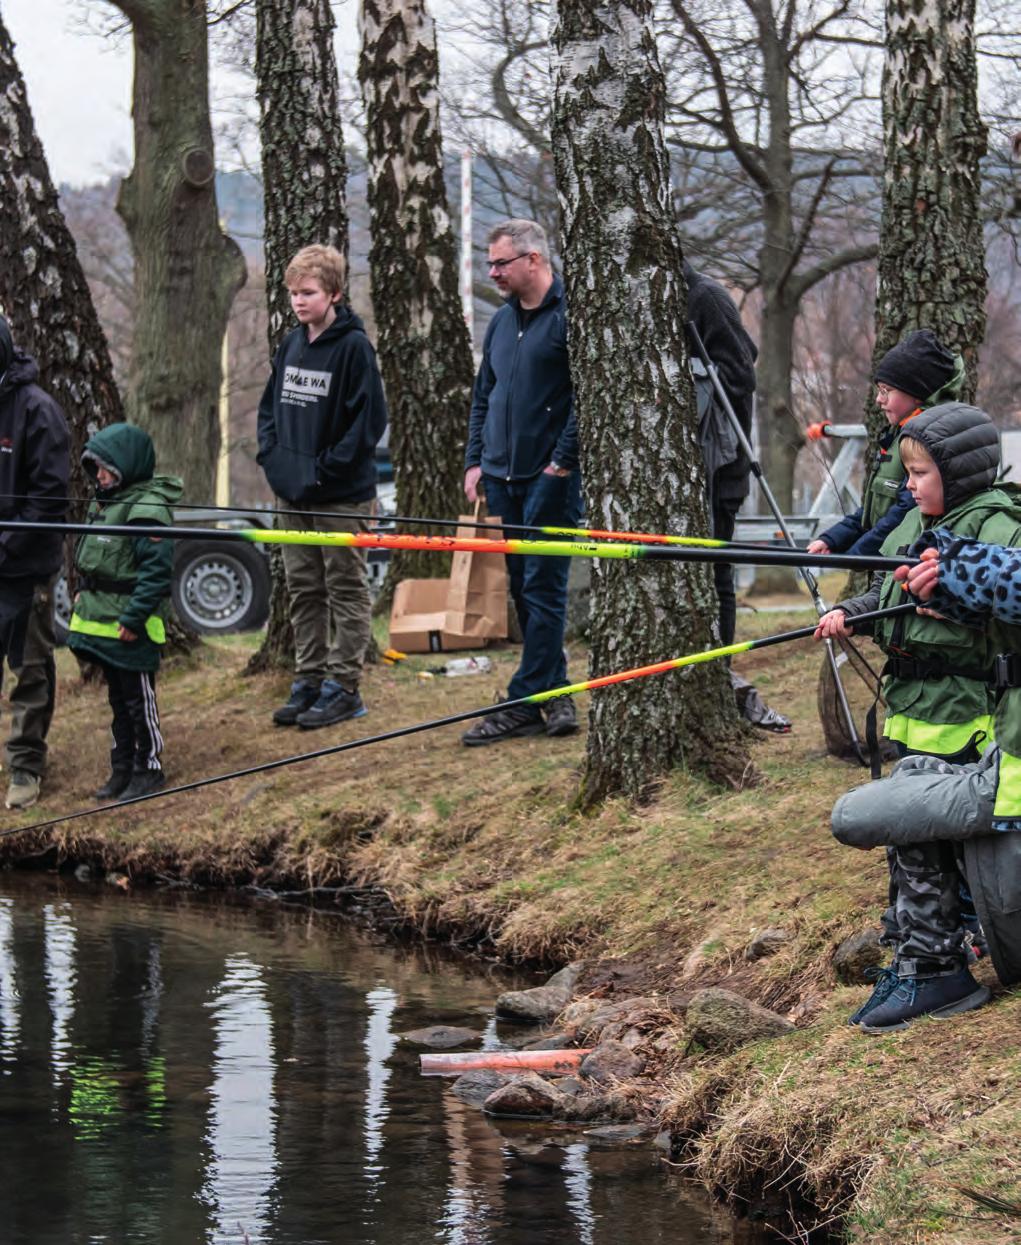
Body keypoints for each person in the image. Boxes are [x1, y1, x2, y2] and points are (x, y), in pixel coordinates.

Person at [815, 402, 1017, 1031]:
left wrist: (962, 591)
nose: (909, 485)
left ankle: (942, 956)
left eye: (921, 472)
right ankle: (923, 953)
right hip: (943, 728)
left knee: (869, 812)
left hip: (986, 742)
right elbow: (899, 583)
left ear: (956, 474)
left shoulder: (999, 527)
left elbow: (999, 593)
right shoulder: (919, 524)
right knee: (912, 787)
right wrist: (860, 608)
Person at [256, 244, 387, 730]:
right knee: (303, 588)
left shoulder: (354, 348)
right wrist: (274, 460)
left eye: (307, 292)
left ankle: (343, 686)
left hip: (341, 496)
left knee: (345, 589)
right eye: (293, 293)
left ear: (333, 294)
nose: (297, 301)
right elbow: (269, 410)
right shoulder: (291, 344)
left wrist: (322, 470)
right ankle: (308, 680)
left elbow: (367, 424)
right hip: (293, 495)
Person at [461, 219, 581, 746]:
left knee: (543, 588)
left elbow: (586, 398)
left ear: (533, 260)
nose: (493, 273)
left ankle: (521, 699)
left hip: (549, 480)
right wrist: (474, 462)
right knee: (523, 591)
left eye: (501, 263)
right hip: (501, 475)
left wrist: (561, 463)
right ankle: (554, 694)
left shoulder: (569, 318)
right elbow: (484, 395)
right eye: (490, 264)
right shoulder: (500, 324)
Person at [67, 423, 182, 801]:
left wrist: (133, 620)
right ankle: (122, 767)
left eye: (105, 469)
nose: (98, 477)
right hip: (104, 627)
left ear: (127, 466)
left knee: (139, 700)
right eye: (95, 469)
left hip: (131, 627)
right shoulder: (107, 505)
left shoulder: (147, 508)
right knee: (118, 701)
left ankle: (149, 767)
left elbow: (155, 573)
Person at [807, 329, 964, 558]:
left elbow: (903, 514)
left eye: (886, 391)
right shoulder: (898, 437)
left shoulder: (925, 442)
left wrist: (855, 555)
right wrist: (831, 539)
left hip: (905, 564)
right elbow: (872, 513)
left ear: (916, 393)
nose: (879, 400)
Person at [0, 314, 70, 811]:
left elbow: (49, 502)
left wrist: (5, 547)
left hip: (26, 569)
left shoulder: (38, 411)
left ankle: (25, 764)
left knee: (29, 669)